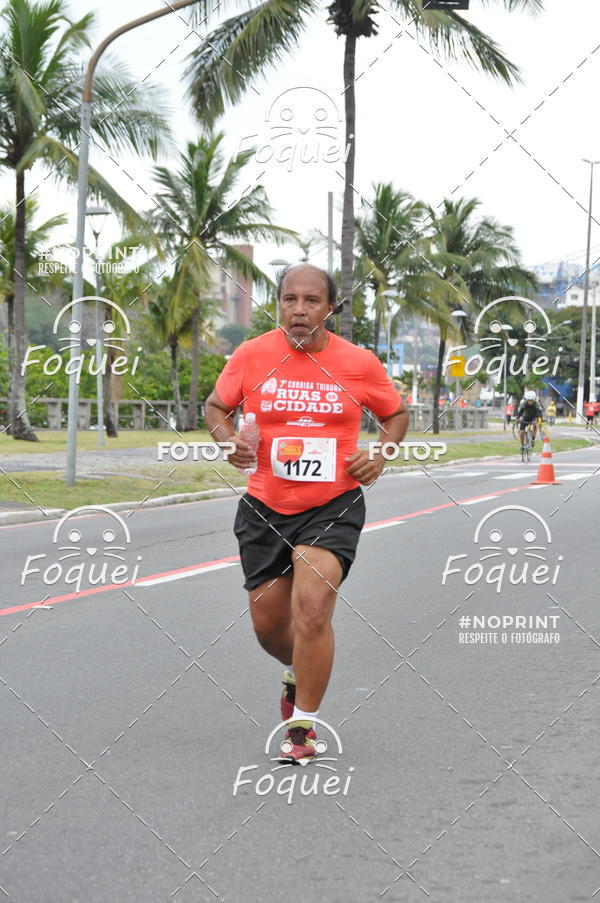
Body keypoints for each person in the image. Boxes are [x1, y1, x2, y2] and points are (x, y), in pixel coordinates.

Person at [205, 264, 408, 762]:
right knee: (269, 627)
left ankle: (302, 729)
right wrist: (227, 441)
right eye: (289, 299)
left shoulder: (358, 363)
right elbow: (215, 407)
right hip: (265, 505)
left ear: (330, 308)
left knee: (313, 608)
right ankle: (299, 669)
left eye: (312, 300)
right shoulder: (251, 355)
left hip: (333, 504)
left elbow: (395, 414)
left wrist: (381, 453)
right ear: (279, 304)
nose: (299, 309)